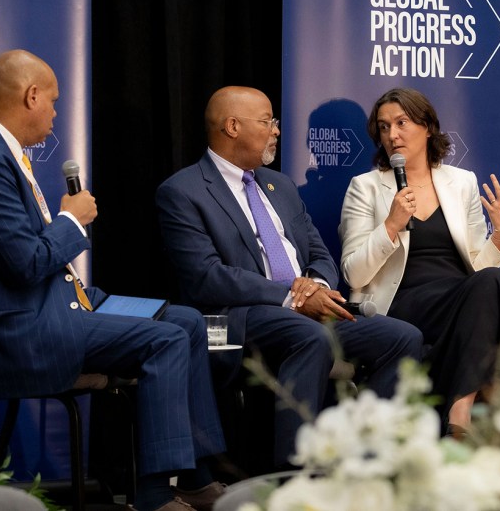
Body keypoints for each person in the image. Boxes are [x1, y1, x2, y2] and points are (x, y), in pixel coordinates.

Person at [0, 49, 227, 511]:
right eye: (51, 101)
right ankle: (153, 496)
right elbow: (26, 264)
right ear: (31, 96)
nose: (54, 113)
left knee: (187, 321)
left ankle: (192, 475)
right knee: (166, 341)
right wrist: (71, 221)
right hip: (14, 333)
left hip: (57, 305)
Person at [155, 85, 423, 470]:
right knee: (308, 336)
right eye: (267, 122)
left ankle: (364, 465)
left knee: (401, 338)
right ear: (232, 126)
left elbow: (318, 253)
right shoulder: (183, 191)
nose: (277, 130)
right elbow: (206, 277)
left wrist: (315, 284)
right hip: (239, 315)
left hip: (309, 306)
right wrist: (290, 296)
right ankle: (294, 479)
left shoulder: (278, 185)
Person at [337, 87, 500, 436]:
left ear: (428, 127)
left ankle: (461, 408)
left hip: (458, 298)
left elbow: (477, 264)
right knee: (490, 287)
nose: (392, 135)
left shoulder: (461, 182)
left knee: (490, 281)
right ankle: (494, 399)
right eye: (383, 127)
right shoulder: (364, 187)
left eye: (401, 122)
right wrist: (391, 225)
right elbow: (353, 273)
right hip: (402, 303)